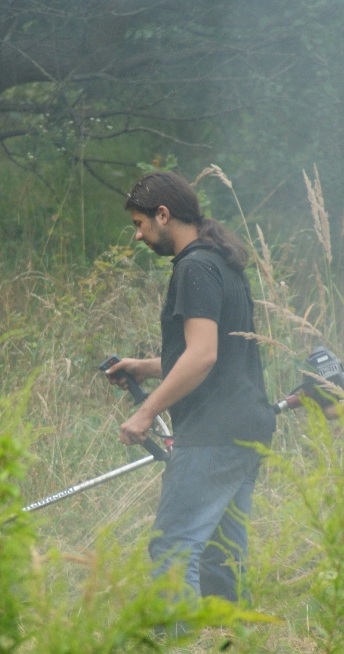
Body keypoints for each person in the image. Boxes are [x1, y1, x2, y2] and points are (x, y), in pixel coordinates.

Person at [105, 170, 276, 603]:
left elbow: (202, 357)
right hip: (246, 428)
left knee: (173, 549)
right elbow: (214, 352)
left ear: (163, 215)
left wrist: (146, 413)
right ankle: (230, 633)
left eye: (140, 224)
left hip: (212, 434)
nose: (138, 236)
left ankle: (179, 635)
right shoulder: (220, 261)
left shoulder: (194, 267)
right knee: (221, 555)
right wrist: (146, 368)